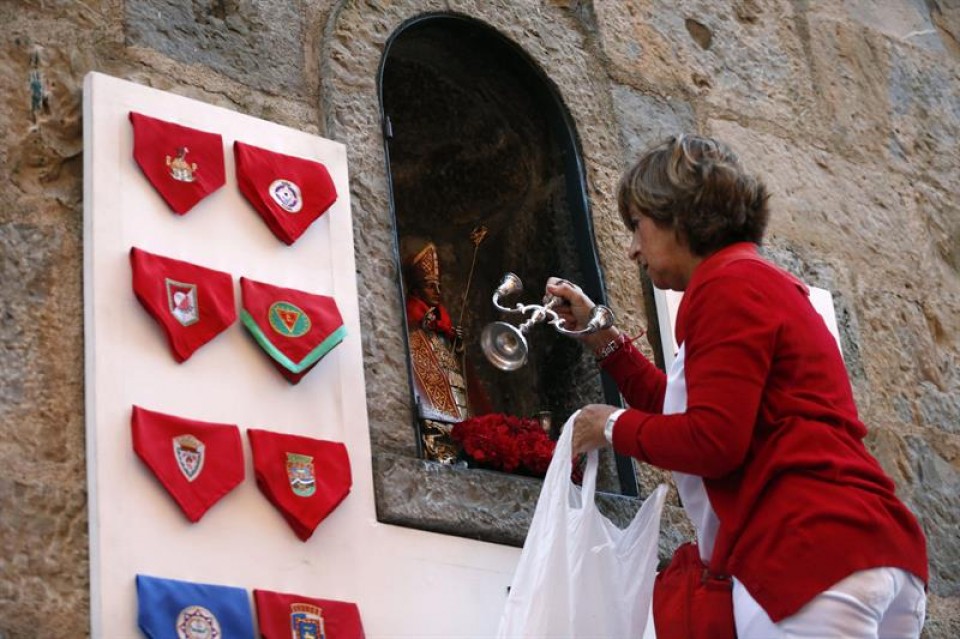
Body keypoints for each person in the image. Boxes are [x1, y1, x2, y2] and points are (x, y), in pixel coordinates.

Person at [546, 134, 928, 638]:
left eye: (637, 225)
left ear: (677, 216)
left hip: (809, 554)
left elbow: (712, 440)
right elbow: (693, 414)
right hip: (866, 549)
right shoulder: (753, 280)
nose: (632, 246)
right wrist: (605, 340)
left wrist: (609, 426)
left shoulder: (728, 288)